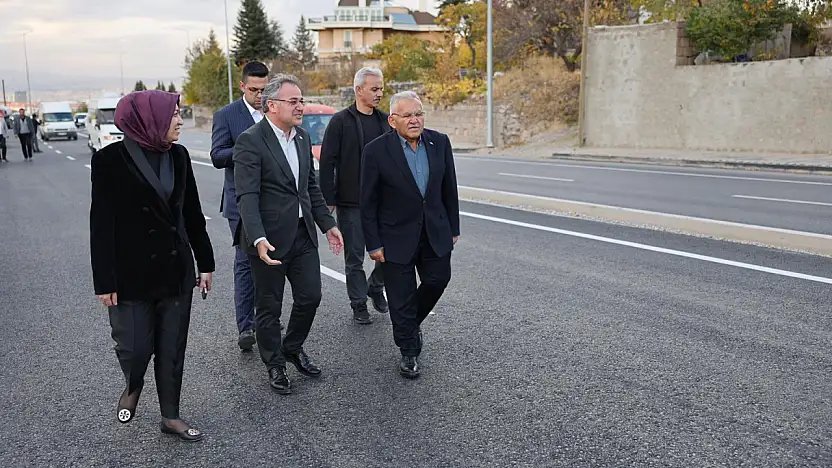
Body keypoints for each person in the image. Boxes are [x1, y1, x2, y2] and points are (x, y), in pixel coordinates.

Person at [89, 90, 215, 442]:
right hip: (130, 274)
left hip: (175, 270)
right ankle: (134, 382)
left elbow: (192, 213)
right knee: (135, 347)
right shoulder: (109, 160)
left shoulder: (179, 156)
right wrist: (104, 281)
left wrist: (205, 262)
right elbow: (101, 224)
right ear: (150, 119)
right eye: (173, 114)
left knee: (172, 349)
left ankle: (170, 416)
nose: (179, 120)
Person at [233, 74, 343, 395]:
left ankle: (292, 347)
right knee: (269, 306)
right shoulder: (250, 141)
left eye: (301, 101)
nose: (300, 107)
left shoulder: (302, 138)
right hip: (268, 239)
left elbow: (309, 187)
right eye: (293, 101)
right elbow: (247, 196)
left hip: (301, 233)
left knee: (311, 296)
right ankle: (275, 364)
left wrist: (328, 225)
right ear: (271, 105)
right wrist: (257, 237)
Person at [360, 91, 460, 379]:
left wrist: (453, 228)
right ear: (393, 120)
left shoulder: (440, 142)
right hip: (395, 236)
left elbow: (449, 188)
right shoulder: (376, 151)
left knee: (438, 279)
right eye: (407, 115)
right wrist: (373, 243)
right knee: (400, 296)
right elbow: (368, 202)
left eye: (418, 114)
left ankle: (407, 324)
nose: (415, 120)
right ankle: (409, 351)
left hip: (434, 231)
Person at [319, 67, 389, 325]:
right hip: (351, 202)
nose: (379, 93)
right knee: (355, 258)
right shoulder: (340, 121)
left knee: (392, 252)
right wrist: (328, 199)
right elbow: (327, 161)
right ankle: (358, 303)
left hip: (383, 201)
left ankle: (375, 286)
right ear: (358, 90)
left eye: (381, 89)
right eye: (374, 89)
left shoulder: (386, 121)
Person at [211, 60, 270, 351]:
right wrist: (247, 148)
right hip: (240, 202)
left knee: (272, 261)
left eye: (264, 90)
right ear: (243, 86)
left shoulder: (274, 111)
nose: (260, 96)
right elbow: (217, 155)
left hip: (273, 201)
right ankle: (246, 325)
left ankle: (267, 320)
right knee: (246, 261)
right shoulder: (226, 115)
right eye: (254, 90)